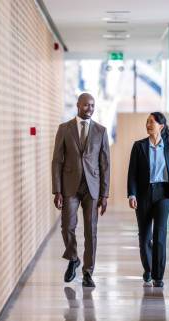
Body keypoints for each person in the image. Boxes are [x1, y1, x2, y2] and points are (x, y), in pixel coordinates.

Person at [52, 93, 110, 288]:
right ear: (78, 105)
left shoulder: (101, 131)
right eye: (86, 105)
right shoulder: (64, 129)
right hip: (70, 187)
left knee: (90, 231)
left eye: (93, 105)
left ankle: (88, 272)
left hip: (92, 188)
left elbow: (105, 165)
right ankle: (73, 257)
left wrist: (104, 194)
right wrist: (57, 190)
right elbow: (57, 161)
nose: (90, 109)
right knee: (67, 226)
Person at [127, 112, 169, 288]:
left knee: (160, 236)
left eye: (152, 122)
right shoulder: (139, 146)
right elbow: (132, 173)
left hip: (163, 194)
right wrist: (132, 194)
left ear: (161, 126)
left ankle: (158, 276)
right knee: (144, 237)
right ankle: (148, 269)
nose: (148, 125)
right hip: (143, 194)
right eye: (147, 122)